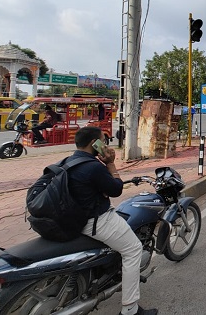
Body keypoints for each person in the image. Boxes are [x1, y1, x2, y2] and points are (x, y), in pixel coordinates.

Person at [67, 126, 157, 315]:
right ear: (95, 144)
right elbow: (116, 189)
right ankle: (130, 309)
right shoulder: (93, 167)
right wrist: (110, 164)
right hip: (96, 221)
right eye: (103, 141)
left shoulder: (69, 162)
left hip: (73, 220)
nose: (106, 145)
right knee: (133, 250)